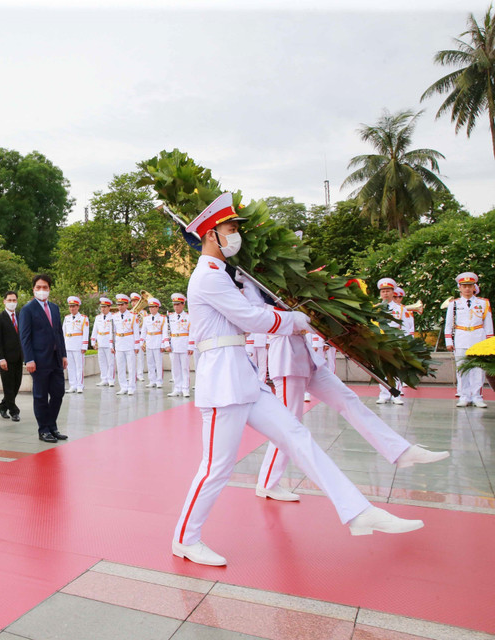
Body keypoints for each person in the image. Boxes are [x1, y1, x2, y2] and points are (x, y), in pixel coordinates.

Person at [171, 193, 422, 567]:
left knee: (297, 436)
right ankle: (185, 539)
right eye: (230, 229)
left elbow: (253, 311)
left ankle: (357, 511)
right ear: (210, 234)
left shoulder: (227, 276)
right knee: (216, 468)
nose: (235, 235)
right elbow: (252, 320)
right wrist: (294, 320)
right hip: (222, 382)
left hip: (244, 377)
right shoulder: (207, 278)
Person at [257, 331, 449, 502]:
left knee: (349, 400)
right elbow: (260, 318)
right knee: (288, 424)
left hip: (308, 356)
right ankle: (267, 482)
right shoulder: (256, 290)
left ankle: (400, 451)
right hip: (286, 356)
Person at [19, 274, 68, 443]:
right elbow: (25, 337)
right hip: (38, 360)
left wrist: (63, 354)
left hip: (55, 359)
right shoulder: (28, 309)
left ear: (49, 289)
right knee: (40, 396)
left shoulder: (54, 308)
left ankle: (52, 426)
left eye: (45, 287)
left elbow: (59, 333)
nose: (42, 290)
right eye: (38, 287)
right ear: (33, 289)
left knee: (58, 393)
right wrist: (29, 359)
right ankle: (44, 429)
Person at [445, 272, 493, 408]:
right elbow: (448, 325)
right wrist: (449, 341)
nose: (467, 289)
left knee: (478, 369)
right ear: (459, 287)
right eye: (464, 286)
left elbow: (488, 324)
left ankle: (477, 396)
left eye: (470, 286)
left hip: (478, 338)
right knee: (462, 369)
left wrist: (489, 343)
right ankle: (464, 396)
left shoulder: (483, 303)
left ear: (474, 287)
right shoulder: (453, 304)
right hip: (461, 337)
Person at [0, 291, 23, 421]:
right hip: (6, 358)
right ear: (4, 301)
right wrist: (1, 358)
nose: (12, 303)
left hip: (19, 357)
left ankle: (2, 406)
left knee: (16, 385)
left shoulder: (21, 316)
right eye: (9, 300)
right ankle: (14, 411)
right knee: (8, 386)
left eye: (14, 300)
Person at [375, 278, 405, 405]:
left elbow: (406, 327)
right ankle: (384, 394)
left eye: (388, 291)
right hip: (381, 341)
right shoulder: (375, 309)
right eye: (383, 291)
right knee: (382, 368)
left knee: (396, 368)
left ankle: (396, 394)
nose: (385, 294)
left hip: (395, 340)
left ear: (393, 292)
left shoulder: (401, 309)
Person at [166, 293, 192, 398]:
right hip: (174, 345)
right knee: (175, 368)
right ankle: (177, 388)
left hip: (184, 344)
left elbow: (192, 332)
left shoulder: (188, 317)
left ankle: (185, 388)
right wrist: (166, 344)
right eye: (174, 305)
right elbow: (166, 332)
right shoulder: (170, 317)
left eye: (178, 304)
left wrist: (191, 346)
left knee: (185, 368)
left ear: (183, 305)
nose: (176, 307)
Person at [111, 294, 137, 396]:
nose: (120, 307)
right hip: (119, 343)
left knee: (131, 367)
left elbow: (135, 332)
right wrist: (111, 345)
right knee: (120, 367)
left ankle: (131, 387)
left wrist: (136, 345)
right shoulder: (114, 316)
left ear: (127, 305)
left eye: (122, 304)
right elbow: (112, 332)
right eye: (118, 305)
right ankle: (123, 386)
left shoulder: (132, 316)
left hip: (129, 342)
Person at [62, 296, 89, 393]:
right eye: (70, 306)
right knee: (70, 366)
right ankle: (72, 385)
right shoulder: (67, 318)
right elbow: (63, 332)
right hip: (68, 344)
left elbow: (85, 332)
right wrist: (62, 345)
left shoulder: (83, 318)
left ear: (78, 307)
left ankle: (79, 385)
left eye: (74, 306)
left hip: (78, 345)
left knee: (79, 366)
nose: (72, 308)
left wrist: (84, 345)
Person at [140, 297, 167, 389]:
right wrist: (141, 342)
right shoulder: (146, 318)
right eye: (150, 307)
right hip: (149, 341)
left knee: (158, 363)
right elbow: (143, 331)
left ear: (157, 307)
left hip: (158, 341)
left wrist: (163, 344)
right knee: (150, 362)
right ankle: (152, 380)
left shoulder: (162, 318)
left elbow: (165, 332)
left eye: (153, 307)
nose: (151, 309)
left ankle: (159, 381)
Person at [92, 297, 115, 387]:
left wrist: (112, 343)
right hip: (100, 340)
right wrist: (93, 341)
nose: (103, 309)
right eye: (102, 307)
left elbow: (113, 331)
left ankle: (111, 379)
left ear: (109, 307)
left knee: (111, 362)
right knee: (102, 361)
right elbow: (95, 329)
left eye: (105, 307)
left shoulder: (112, 317)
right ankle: (104, 378)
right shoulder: (98, 318)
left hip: (109, 341)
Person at [130, 292, 146, 381]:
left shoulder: (144, 313)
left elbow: (146, 326)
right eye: (132, 301)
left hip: (140, 336)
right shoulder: (129, 313)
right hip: (131, 336)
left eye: (135, 301)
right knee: (131, 357)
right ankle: (132, 374)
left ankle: (140, 374)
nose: (133, 303)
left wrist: (145, 340)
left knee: (140, 357)